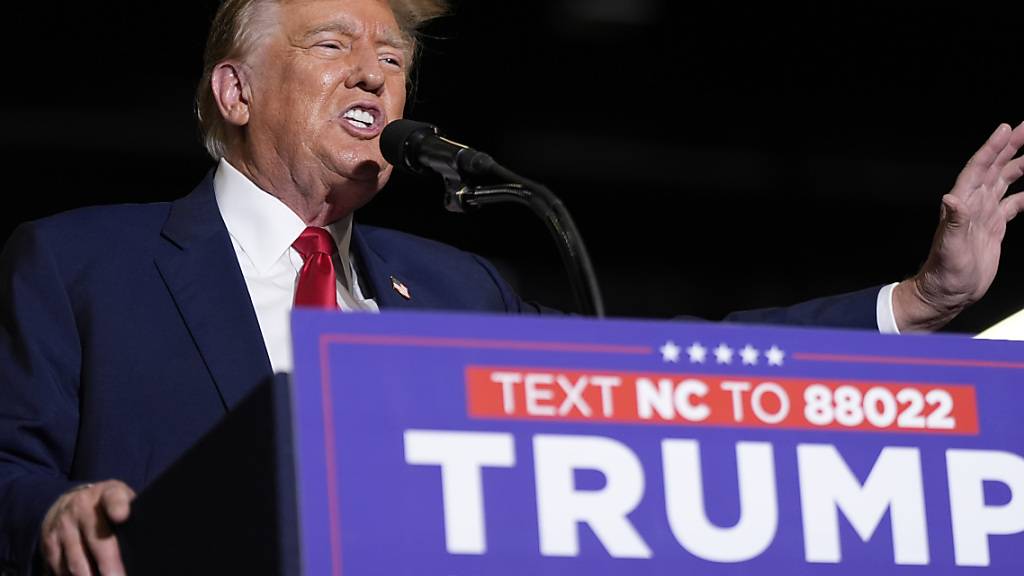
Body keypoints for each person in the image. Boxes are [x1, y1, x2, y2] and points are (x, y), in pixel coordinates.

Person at [0, 0, 1021, 574]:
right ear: (233, 90)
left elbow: (668, 374)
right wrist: (53, 514)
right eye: (332, 45)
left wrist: (915, 301)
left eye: (392, 59)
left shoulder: (456, 291)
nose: (375, 76)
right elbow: (8, 470)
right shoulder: (82, 264)